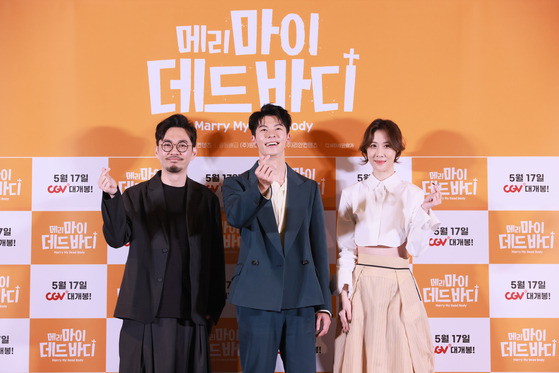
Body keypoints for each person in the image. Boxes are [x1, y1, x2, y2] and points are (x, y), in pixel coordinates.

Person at [98, 114, 226, 373]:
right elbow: (115, 238)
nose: (174, 151)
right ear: (157, 150)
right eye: (167, 145)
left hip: (191, 317)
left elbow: (215, 260)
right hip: (143, 316)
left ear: (193, 152)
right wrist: (112, 196)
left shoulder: (207, 201)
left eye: (182, 145)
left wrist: (212, 310)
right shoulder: (136, 196)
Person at [221, 104, 332, 373]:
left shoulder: (308, 188)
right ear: (253, 138)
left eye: (278, 128)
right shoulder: (237, 184)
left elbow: (318, 248)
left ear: (288, 136)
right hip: (256, 298)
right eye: (264, 129)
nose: (271, 134)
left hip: (301, 297)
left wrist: (325, 306)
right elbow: (236, 217)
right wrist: (260, 188)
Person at [334, 119, 442, 373]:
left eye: (386, 145)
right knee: (360, 357)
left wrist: (424, 212)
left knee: (400, 356)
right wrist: (344, 295)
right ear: (365, 150)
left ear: (396, 150)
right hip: (362, 282)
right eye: (373, 145)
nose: (379, 153)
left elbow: (416, 249)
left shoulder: (413, 194)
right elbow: (346, 250)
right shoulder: (351, 194)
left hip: (399, 282)